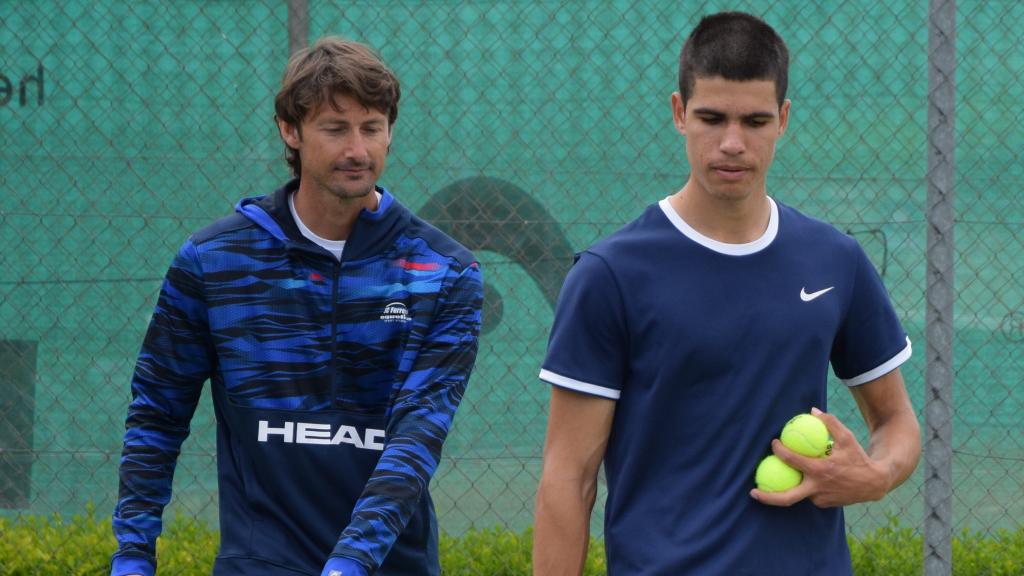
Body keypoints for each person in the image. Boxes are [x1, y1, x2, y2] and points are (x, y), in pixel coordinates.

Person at [533, 11, 920, 575]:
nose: (733, 143)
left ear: (783, 120)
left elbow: (897, 422)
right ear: (678, 114)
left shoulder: (835, 259)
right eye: (711, 118)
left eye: (755, 121)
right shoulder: (610, 274)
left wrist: (877, 474)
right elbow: (569, 477)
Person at [110, 37, 483, 576]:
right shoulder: (213, 262)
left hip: (388, 565)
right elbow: (156, 415)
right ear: (291, 130)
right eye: (335, 129)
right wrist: (133, 554)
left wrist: (350, 564)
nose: (357, 149)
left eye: (372, 127)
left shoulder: (447, 273)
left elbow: (417, 438)